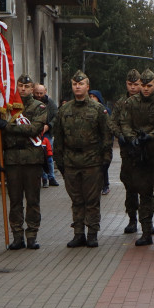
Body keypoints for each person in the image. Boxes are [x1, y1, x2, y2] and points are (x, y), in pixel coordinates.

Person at [115, 69, 154, 248]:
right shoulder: (131, 103)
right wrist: (132, 138)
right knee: (144, 193)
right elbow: (124, 122)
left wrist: (150, 136)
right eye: (143, 85)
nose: (145, 89)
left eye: (149, 86)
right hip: (140, 155)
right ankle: (146, 231)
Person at [54, 71, 112, 248]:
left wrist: (106, 160)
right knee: (76, 199)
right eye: (74, 84)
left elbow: (106, 136)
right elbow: (58, 137)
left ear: (87, 86)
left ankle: (92, 233)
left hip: (92, 160)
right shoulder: (64, 110)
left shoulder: (98, 110)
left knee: (92, 200)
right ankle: (78, 233)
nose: (77, 87)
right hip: (71, 161)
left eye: (81, 84)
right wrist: (59, 161)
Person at [0, 74, 47, 250]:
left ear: (33, 89)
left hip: (32, 160)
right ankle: (17, 235)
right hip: (12, 160)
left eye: (27, 86)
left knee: (33, 200)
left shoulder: (39, 107)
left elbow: (33, 129)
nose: (23, 89)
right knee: (15, 200)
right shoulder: (8, 107)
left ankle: (32, 235)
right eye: (20, 86)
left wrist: (8, 126)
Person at [110, 70, 145, 233]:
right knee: (130, 187)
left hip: (144, 150)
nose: (133, 88)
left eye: (136, 84)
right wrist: (120, 135)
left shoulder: (146, 101)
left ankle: (147, 221)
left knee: (146, 187)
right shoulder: (121, 103)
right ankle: (132, 219)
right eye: (130, 84)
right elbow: (112, 123)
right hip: (127, 151)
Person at [88, 89, 109, 194]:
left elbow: (108, 129)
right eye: (90, 96)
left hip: (101, 143)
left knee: (103, 166)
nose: (92, 98)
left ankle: (105, 185)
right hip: (91, 144)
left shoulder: (104, 110)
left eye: (94, 96)